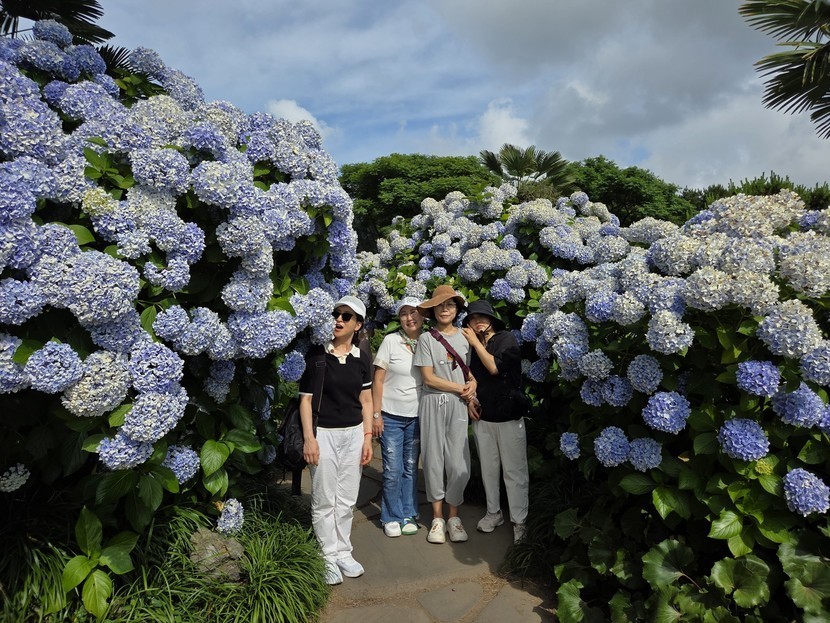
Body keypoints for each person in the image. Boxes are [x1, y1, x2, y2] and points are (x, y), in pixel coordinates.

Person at [300, 295, 374, 585]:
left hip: (353, 434)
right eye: (336, 314)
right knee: (323, 498)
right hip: (324, 434)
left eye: (346, 316)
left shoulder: (361, 358)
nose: (338, 320)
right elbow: (305, 401)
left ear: (358, 325)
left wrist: (367, 438)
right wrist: (309, 439)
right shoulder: (317, 356)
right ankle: (327, 555)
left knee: (346, 498)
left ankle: (344, 551)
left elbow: (366, 400)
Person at [461, 299, 529, 543]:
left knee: (514, 471)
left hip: (509, 417)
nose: (477, 321)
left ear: (491, 319)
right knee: (489, 470)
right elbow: (470, 377)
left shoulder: (505, 339)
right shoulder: (472, 346)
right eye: (472, 318)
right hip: (484, 417)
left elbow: (494, 368)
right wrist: (470, 400)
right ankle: (493, 512)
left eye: (482, 316)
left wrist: (475, 343)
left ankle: (520, 521)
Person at [414, 285, 477, 544]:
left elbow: (470, 372)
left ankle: (454, 516)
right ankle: (437, 518)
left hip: (458, 405)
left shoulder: (465, 337)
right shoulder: (427, 339)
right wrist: (460, 388)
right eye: (440, 305)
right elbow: (428, 378)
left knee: (458, 461)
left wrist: (472, 385)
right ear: (433, 310)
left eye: (450, 304)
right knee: (433, 459)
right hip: (433, 402)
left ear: (457, 309)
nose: (445, 309)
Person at [372, 297, 424, 537]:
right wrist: (376, 414)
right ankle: (390, 516)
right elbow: (378, 380)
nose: (409, 318)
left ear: (422, 316)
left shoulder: (428, 341)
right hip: (391, 415)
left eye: (413, 312)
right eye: (404, 313)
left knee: (411, 467)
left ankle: (408, 513)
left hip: (417, 416)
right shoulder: (391, 341)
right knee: (393, 469)